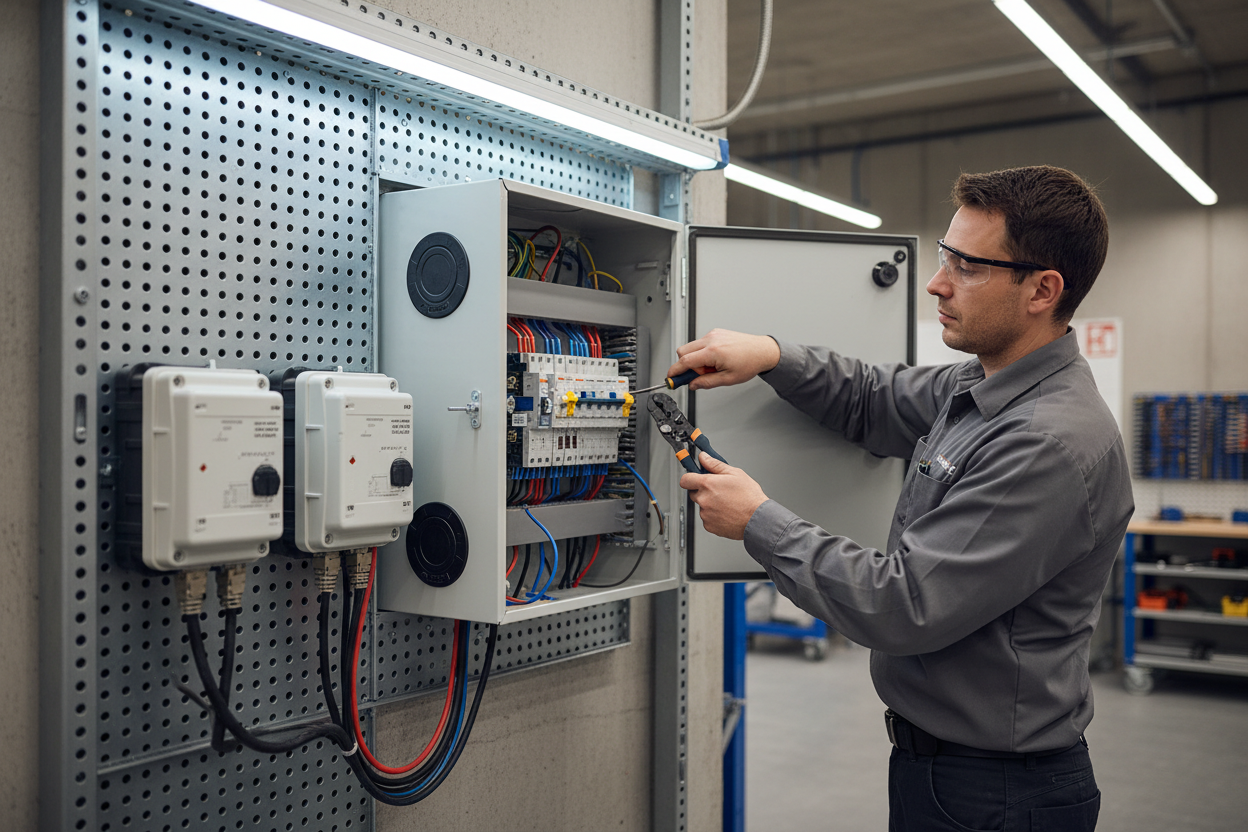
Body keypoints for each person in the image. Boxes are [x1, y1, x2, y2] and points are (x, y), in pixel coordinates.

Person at [670, 165, 1132, 832]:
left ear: (1043, 289)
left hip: (996, 794)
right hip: (949, 771)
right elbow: (872, 398)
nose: (938, 282)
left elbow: (904, 605)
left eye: (969, 267)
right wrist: (771, 354)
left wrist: (758, 523)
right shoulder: (980, 387)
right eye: (946, 256)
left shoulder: (1048, 442)